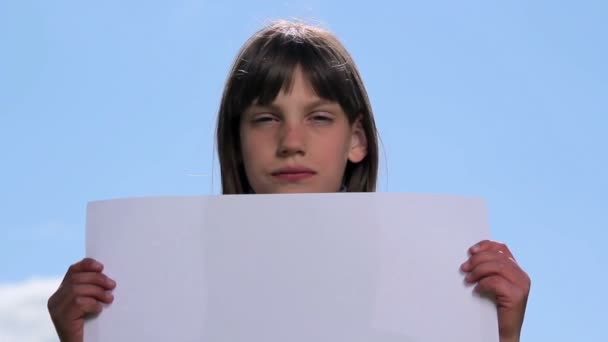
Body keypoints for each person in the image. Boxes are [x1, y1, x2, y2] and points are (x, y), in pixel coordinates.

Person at [48, 20, 531, 342]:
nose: (291, 141)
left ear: (356, 139)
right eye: (265, 119)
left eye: (319, 117)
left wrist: (497, 333)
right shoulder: (162, 278)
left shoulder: (428, 277)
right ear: (236, 140)